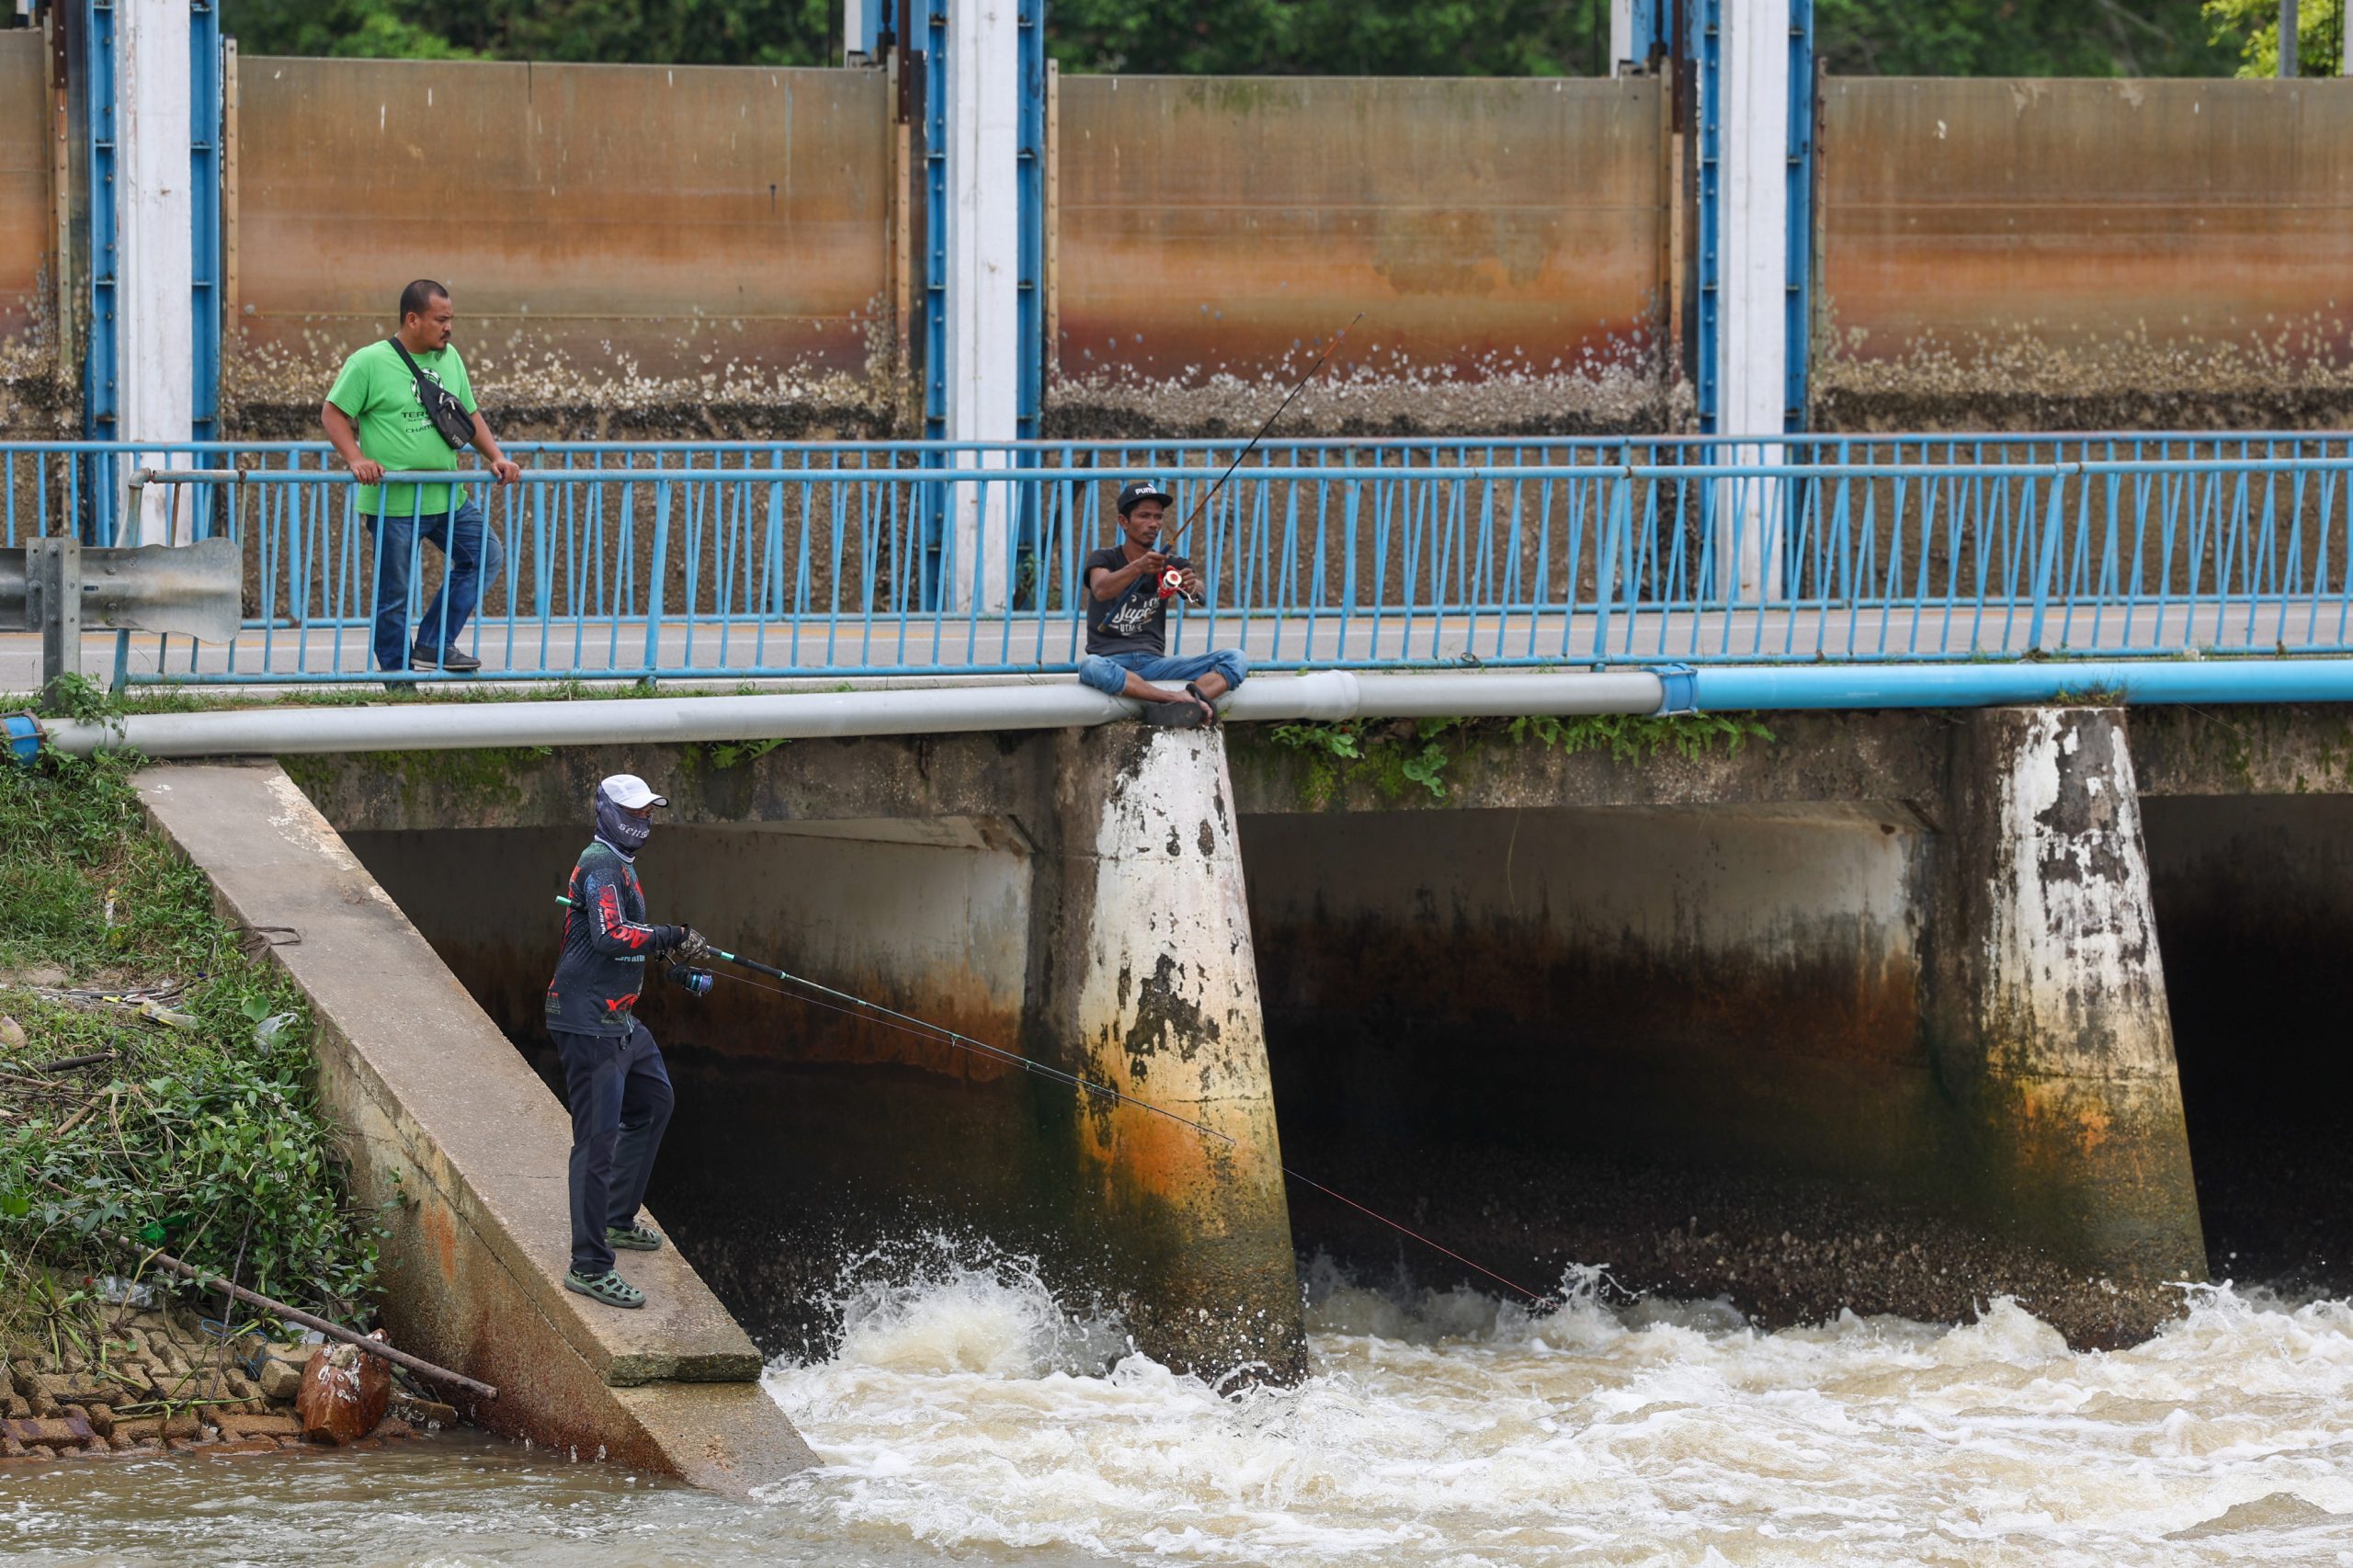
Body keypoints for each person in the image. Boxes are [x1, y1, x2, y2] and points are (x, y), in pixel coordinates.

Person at [543, 774, 709, 1309]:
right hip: (588, 1023)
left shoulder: (620, 866)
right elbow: (609, 935)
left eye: (649, 813)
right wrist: (672, 934)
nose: (643, 821)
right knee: (596, 1144)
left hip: (619, 1020)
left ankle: (615, 1218)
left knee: (655, 1101)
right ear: (608, 812)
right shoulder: (599, 865)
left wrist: (668, 952)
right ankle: (588, 1266)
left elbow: (624, 940)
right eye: (634, 811)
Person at [322, 278, 519, 681]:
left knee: (485, 556)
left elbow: (469, 414)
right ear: (413, 319)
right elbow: (333, 413)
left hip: (447, 495)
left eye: (450, 319)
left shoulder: (451, 359)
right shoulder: (368, 362)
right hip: (394, 502)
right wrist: (357, 458)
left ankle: (432, 643)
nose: (448, 328)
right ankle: (397, 678)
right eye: (440, 320)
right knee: (394, 596)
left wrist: (496, 456)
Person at [1076, 479, 1247, 726]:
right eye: (1144, 516)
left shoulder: (1171, 563)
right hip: (1112, 661)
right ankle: (1171, 699)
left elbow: (1199, 592)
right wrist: (1138, 567)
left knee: (1236, 658)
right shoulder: (1104, 558)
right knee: (1090, 666)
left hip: (1155, 663)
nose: (1153, 523)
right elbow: (1101, 589)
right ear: (1123, 521)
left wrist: (1191, 584)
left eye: (1158, 517)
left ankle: (1190, 699)